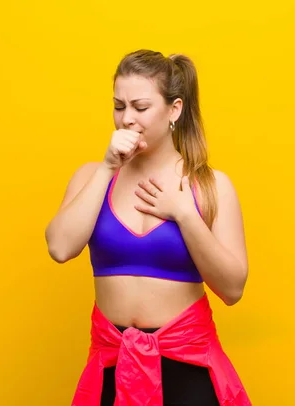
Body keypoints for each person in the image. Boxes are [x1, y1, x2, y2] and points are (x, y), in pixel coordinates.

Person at [45, 49, 251, 406]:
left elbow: (233, 288)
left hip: (188, 368)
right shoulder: (91, 176)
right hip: (113, 367)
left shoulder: (211, 186)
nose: (127, 119)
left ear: (174, 110)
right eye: (118, 106)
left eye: (140, 108)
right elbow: (60, 248)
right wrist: (107, 168)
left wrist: (185, 215)